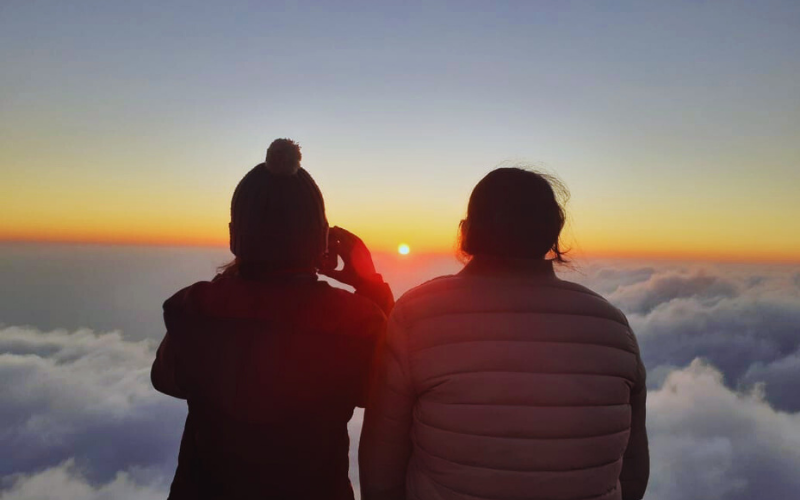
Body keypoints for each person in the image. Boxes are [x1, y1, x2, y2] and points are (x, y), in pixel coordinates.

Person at [359, 167, 649, 500]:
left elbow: (381, 473)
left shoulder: (416, 316)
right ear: (554, 231)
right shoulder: (613, 328)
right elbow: (633, 470)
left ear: (468, 231)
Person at [151, 139, 393, 500]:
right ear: (322, 242)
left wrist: (231, 280)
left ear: (235, 236)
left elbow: (166, 379)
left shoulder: (197, 307)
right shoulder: (356, 321)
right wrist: (370, 285)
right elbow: (382, 392)